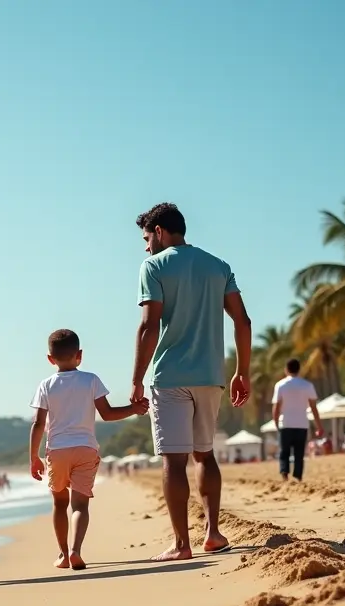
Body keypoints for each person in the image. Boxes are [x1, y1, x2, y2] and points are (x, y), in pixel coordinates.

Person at [130, 203, 252, 562]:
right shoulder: (219, 266)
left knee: (173, 459)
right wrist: (242, 371)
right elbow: (242, 322)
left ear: (161, 232)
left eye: (146, 237)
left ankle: (182, 544)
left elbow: (149, 326)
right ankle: (213, 533)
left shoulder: (152, 266)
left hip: (170, 376)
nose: (145, 246)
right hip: (211, 375)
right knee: (205, 453)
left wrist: (136, 379)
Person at [30, 329, 147, 570]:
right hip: (85, 448)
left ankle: (63, 554)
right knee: (80, 506)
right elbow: (108, 413)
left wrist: (33, 456)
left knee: (60, 504)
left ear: (50, 359)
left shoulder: (46, 385)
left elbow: (39, 424)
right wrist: (133, 409)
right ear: (79, 355)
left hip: (58, 450)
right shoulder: (91, 380)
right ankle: (75, 551)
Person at [271, 359, 322, 481]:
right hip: (302, 424)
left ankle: (284, 474)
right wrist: (319, 425)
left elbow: (276, 407)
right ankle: (298, 476)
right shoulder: (307, 385)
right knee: (299, 453)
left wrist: (276, 422)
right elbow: (313, 407)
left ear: (286, 369)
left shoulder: (280, 385)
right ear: (299, 370)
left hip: (286, 423)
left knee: (285, 451)